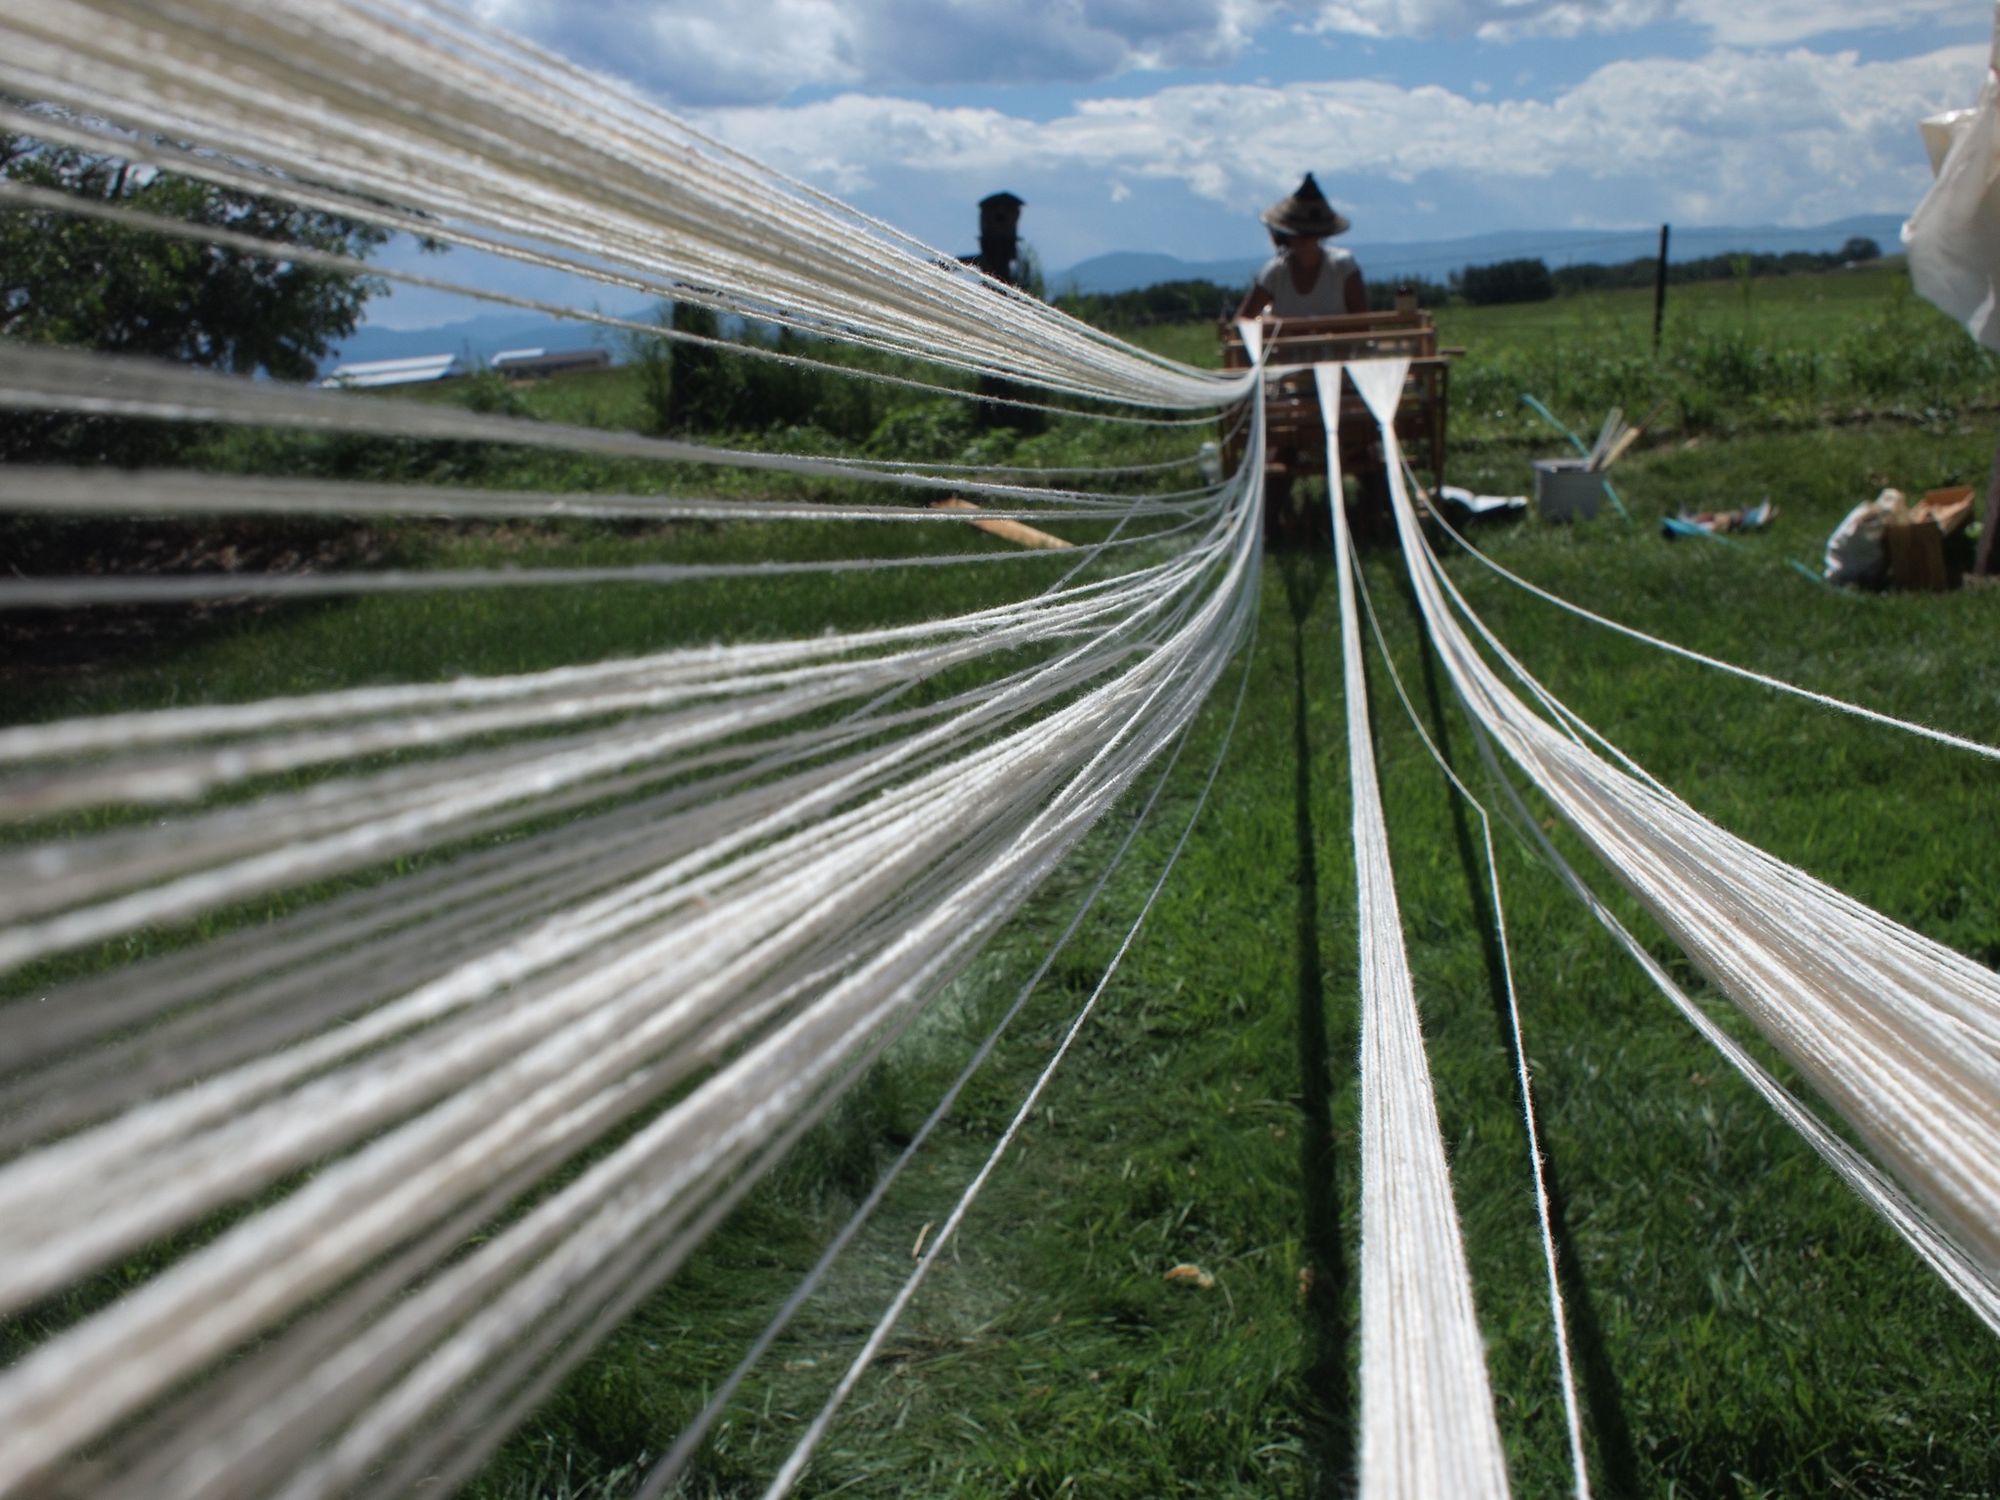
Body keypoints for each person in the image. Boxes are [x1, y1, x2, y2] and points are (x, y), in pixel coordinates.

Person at [1236, 173, 1367, 322]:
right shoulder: (1274, 272)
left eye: (1310, 233)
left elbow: (1362, 323)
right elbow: (1243, 323)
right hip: (1286, 346)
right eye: (1299, 233)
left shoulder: (1343, 266)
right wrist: (1266, 321)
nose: (1304, 239)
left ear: (1320, 233)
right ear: (1287, 235)